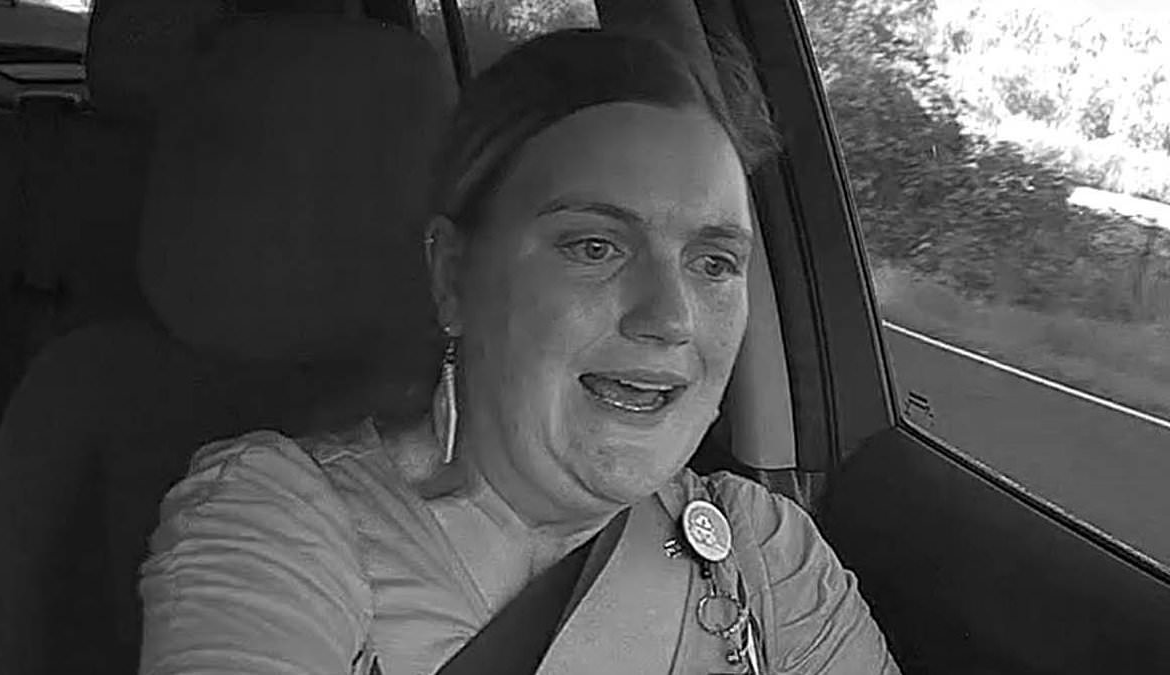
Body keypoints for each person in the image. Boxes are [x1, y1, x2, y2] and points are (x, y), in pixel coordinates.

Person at [138, 28, 900, 675]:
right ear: (454, 275)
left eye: (713, 262)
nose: (671, 318)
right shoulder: (280, 522)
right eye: (595, 246)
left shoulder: (764, 551)